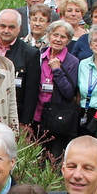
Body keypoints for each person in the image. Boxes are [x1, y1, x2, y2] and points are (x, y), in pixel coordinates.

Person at [26, 19, 78, 153]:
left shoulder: (72, 62)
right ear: (49, 36)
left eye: (63, 37)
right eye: (55, 35)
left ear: (68, 40)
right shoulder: (38, 56)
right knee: (33, 156)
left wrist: (57, 70)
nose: (58, 39)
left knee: (53, 158)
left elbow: (69, 92)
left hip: (57, 119)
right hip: (36, 116)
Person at [0, 8, 39, 109]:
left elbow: (31, 93)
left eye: (11, 27)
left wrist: (25, 118)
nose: (6, 31)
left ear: (19, 28)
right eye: (3, 26)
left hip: (14, 110)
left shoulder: (30, 53)